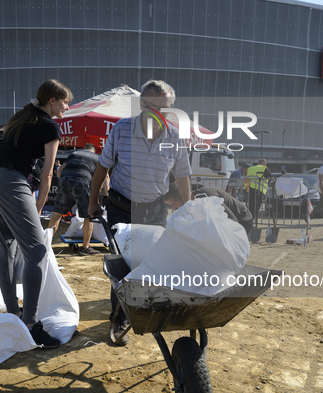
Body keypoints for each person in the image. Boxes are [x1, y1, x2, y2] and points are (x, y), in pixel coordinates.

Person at [88, 79, 192, 345]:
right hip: (122, 206)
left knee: (154, 261)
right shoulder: (122, 129)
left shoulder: (175, 135)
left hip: (155, 209)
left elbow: (182, 175)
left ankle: (148, 307)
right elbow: (102, 166)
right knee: (123, 266)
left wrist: (188, 207)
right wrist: (92, 202)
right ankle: (120, 316)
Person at [0, 79, 72, 349]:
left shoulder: (23, 118)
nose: (67, 106)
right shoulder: (49, 125)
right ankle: (30, 325)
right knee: (37, 251)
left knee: (6, 249)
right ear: (52, 100)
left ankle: (14, 313)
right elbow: (46, 175)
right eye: (65, 101)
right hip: (11, 182)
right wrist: (39, 208)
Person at [48, 143, 101, 255]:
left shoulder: (73, 154)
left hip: (64, 180)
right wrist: (105, 194)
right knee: (89, 216)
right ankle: (86, 247)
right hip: (81, 181)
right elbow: (104, 177)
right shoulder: (97, 157)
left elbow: (58, 172)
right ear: (93, 151)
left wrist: (65, 182)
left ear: (84, 148)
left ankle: (46, 244)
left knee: (57, 214)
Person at [164, 182, 253, 235]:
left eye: (175, 204)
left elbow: (232, 220)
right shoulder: (193, 201)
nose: (174, 209)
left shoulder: (206, 198)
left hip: (243, 220)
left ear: (184, 197)